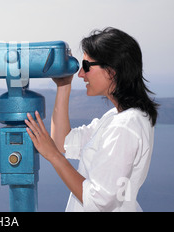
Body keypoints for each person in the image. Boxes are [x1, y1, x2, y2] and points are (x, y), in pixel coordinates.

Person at [25, 27, 158, 212]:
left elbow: (98, 202)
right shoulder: (116, 118)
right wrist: (64, 85)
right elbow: (63, 142)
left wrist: (53, 156)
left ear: (111, 71)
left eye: (87, 66)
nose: (81, 74)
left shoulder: (124, 126)